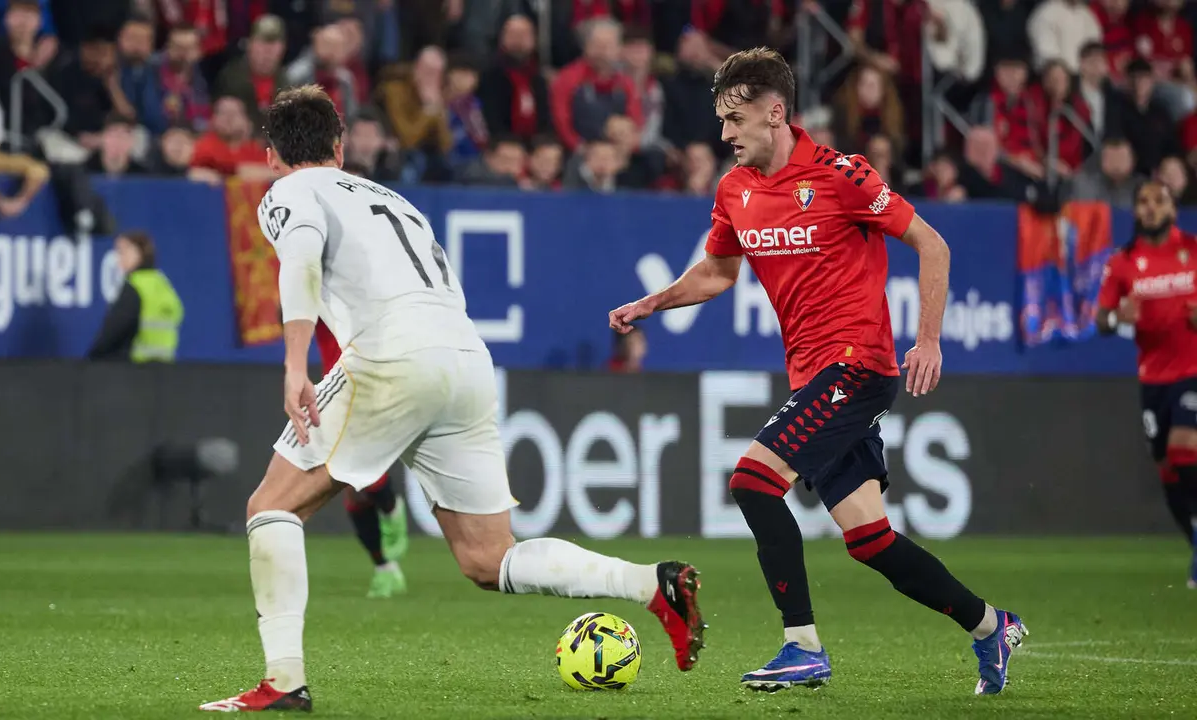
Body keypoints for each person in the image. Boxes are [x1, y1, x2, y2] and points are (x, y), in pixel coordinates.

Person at [199, 85, 705, 713]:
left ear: (272, 155)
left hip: (391, 354)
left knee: (270, 506)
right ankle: (648, 585)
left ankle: (283, 681)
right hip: (465, 358)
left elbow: (298, 259)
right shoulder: (396, 200)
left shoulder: (288, 191)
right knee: (489, 558)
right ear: (339, 145)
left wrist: (294, 362)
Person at [608, 48, 1026, 695]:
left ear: (775, 113)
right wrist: (652, 302)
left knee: (751, 481)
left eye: (735, 119)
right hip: (813, 378)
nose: (725, 134)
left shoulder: (841, 175)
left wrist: (930, 340)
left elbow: (931, 243)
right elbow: (719, 270)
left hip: (858, 366)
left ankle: (801, 646)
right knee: (870, 540)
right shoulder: (734, 190)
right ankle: (990, 626)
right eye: (721, 121)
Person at [1096, 181, 1197, 588]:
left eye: (1158, 200)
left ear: (1173, 207)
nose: (1150, 207)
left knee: (1183, 445)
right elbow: (1100, 320)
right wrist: (1119, 316)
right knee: (1167, 467)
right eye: (1143, 201)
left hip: (1192, 370)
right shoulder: (1123, 261)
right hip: (1152, 377)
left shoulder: (1192, 249)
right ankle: (1194, 544)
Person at [313, 319, 410, 599]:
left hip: (368, 379)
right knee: (351, 485)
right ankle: (385, 567)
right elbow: (288, 312)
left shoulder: (359, 282)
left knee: (355, 467)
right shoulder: (310, 282)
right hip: (334, 384)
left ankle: (390, 507)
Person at [87, 231, 183, 362]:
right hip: (164, 370)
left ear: (140, 252)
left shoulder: (135, 286)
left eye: (123, 251)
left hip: (134, 370)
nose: (119, 258)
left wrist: (91, 359)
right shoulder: (163, 284)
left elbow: (114, 330)